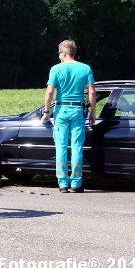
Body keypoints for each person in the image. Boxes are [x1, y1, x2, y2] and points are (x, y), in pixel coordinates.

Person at [41, 40, 96, 193]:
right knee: (77, 146)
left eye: (59, 53)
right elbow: (91, 92)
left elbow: (50, 92)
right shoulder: (85, 68)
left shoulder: (55, 69)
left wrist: (46, 111)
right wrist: (93, 112)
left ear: (64, 53)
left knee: (61, 147)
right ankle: (76, 184)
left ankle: (63, 184)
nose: (59, 56)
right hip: (78, 111)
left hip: (61, 110)